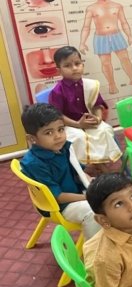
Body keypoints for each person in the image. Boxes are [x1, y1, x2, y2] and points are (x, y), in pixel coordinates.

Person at [20, 103, 101, 240]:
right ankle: (95, 249)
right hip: (59, 206)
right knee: (94, 212)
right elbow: (57, 197)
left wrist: (89, 181)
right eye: (49, 132)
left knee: (112, 194)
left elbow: (78, 171)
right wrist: (88, 197)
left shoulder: (62, 147)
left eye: (61, 129)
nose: (58, 136)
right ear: (32, 138)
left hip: (75, 192)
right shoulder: (35, 163)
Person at [48, 46, 122, 173]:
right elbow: (57, 116)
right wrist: (77, 124)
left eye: (77, 63)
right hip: (69, 125)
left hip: (89, 121)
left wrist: (98, 118)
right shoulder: (57, 91)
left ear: (82, 64)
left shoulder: (90, 85)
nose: (74, 68)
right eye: (67, 65)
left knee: (104, 130)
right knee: (79, 137)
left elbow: (97, 105)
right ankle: (88, 169)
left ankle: (100, 163)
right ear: (59, 70)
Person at [79, 0, 132, 94]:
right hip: (100, 38)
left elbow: (124, 22)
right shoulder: (91, 8)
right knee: (106, 62)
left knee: (125, 58)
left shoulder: (117, 6)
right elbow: (86, 27)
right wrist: (82, 42)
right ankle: (112, 85)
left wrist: (129, 36)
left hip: (117, 35)